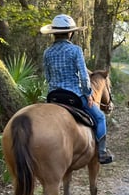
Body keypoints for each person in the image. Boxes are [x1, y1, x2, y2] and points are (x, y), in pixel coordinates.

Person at [41, 14, 113, 164]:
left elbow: (47, 77)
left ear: (54, 33)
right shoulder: (75, 50)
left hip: (53, 97)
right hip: (73, 96)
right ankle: (102, 152)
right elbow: (84, 77)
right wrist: (88, 94)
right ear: (70, 33)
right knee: (100, 117)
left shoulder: (47, 52)